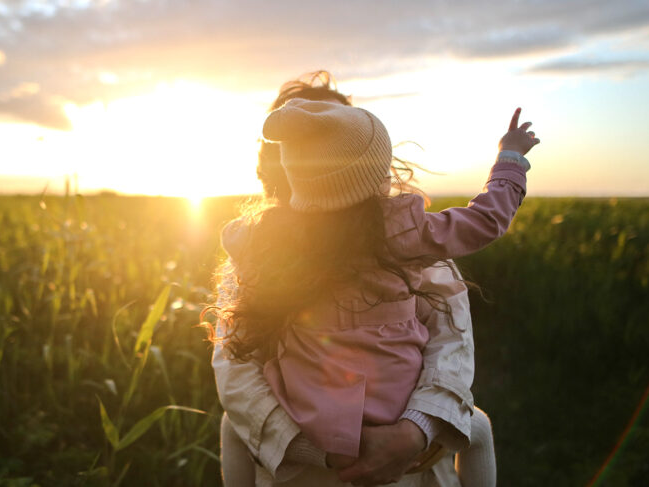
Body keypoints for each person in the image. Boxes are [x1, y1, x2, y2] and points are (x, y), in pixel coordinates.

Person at [211, 72, 534, 486]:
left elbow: (451, 341)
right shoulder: (407, 234)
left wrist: (413, 432)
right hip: (333, 444)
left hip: (355, 437)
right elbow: (236, 372)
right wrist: (511, 160)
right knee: (480, 427)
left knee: (230, 427)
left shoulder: (263, 242)